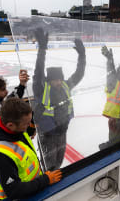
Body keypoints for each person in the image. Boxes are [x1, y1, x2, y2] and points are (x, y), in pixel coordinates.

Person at [0, 97, 62, 201]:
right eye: (26, 124)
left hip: (32, 191)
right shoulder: (1, 155)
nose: (29, 125)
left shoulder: (9, 127)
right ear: (11, 125)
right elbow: (14, 191)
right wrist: (46, 180)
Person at [32, 28, 86, 170]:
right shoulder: (41, 89)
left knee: (59, 162)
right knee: (49, 167)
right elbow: (38, 71)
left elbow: (79, 74)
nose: (59, 82)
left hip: (62, 132)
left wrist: (82, 55)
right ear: (49, 80)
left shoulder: (65, 86)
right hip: (47, 135)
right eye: (55, 80)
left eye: (60, 79)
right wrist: (42, 49)